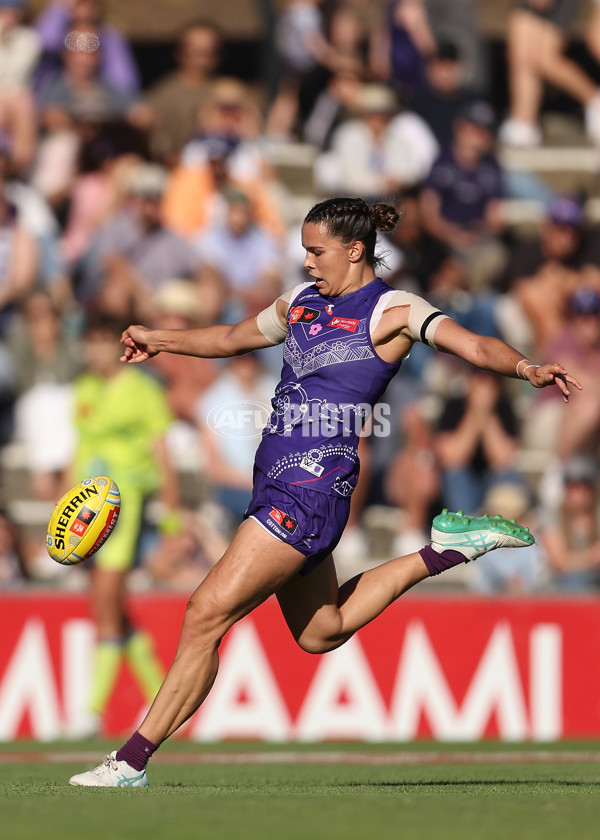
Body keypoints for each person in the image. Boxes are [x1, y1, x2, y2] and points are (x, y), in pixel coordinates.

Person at [68, 196, 581, 786]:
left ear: (354, 249)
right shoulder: (302, 303)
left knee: (205, 613)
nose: (308, 262)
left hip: (311, 487)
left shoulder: (392, 308)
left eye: (316, 251)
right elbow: (234, 338)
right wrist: (160, 338)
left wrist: (526, 369)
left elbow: (473, 346)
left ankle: (130, 761)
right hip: (276, 483)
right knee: (322, 631)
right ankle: (446, 549)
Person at [68, 312, 180, 736]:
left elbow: (162, 454)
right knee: (110, 606)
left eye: (101, 342)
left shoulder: (142, 390)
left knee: (106, 603)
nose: (94, 351)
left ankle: (93, 710)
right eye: (89, 342)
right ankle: (158, 695)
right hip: (84, 511)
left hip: (122, 505)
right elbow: (79, 452)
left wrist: (170, 515)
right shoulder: (84, 389)